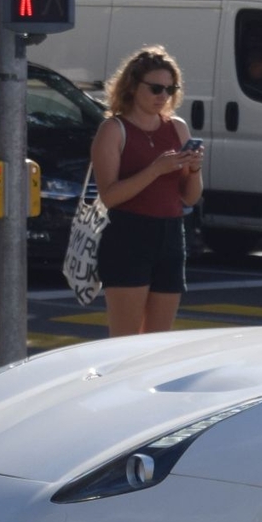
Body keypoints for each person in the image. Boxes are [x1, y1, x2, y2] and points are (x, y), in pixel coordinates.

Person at [90, 45, 204, 336]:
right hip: (128, 235)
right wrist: (155, 170)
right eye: (155, 88)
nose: (163, 96)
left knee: (157, 343)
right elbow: (109, 196)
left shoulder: (177, 128)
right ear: (132, 86)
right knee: (126, 342)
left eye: (170, 89)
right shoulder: (114, 130)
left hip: (170, 234)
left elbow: (190, 197)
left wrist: (193, 168)